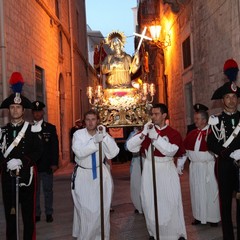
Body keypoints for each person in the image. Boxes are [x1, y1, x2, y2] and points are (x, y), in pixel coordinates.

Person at [126, 103, 187, 240]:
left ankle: (174, 233)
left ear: (164, 115)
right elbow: (130, 146)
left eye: (156, 114)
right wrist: (143, 134)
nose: (153, 117)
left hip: (166, 169)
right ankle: (154, 232)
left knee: (169, 200)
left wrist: (156, 138)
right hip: (149, 168)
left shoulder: (173, 133)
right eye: (152, 114)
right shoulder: (147, 131)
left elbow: (171, 151)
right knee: (149, 201)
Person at [0, 72, 42, 240]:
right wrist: (5, 162)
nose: (15, 110)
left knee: (28, 216)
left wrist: (22, 161)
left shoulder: (31, 129)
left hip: (27, 177)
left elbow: (38, 151)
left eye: (18, 107)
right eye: (12, 107)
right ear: (9, 110)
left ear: (23, 110)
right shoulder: (2, 131)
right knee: (10, 215)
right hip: (8, 178)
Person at [71, 109, 119, 239]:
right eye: (88, 119)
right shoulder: (78, 135)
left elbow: (114, 152)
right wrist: (94, 142)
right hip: (83, 174)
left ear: (97, 120)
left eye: (93, 119)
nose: (91, 122)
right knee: (85, 209)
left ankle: (101, 237)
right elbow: (79, 152)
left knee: (101, 209)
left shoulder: (102, 133)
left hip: (100, 174)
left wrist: (105, 137)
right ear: (84, 121)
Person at [207, 58, 240, 240]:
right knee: (225, 204)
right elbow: (210, 143)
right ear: (222, 100)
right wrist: (226, 152)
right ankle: (228, 237)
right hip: (225, 166)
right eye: (228, 97)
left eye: (234, 97)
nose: (231, 100)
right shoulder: (215, 120)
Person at [183, 110, 220, 226]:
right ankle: (198, 216)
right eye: (195, 119)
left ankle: (213, 218)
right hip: (195, 168)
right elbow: (185, 151)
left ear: (204, 120)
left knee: (210, 192)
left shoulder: (213, 133)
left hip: (208, 167)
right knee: (196, 192)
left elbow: (218, 151)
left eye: (197, 119)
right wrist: (180, 165)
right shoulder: (192, 133)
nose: (195, 121)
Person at [31, 100, 59, 223]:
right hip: (33, 166)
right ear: (32, 113)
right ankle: (37, 213)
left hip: (47, 165)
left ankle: (49, 213)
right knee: (35, 192)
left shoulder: (50, 128)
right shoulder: (28, 128)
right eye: (35, 112)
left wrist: (54, 163)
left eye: (39, 111)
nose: (37, 114)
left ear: (43, 112)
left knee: (48, 190)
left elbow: (54, 147)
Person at [125, 126, 144, 214]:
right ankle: (139, 205)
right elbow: (126, 147)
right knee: (136, 184)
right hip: (136, 159)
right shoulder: (133, 134)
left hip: (146, 160)